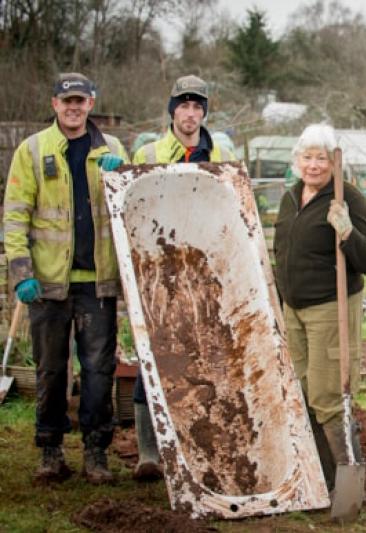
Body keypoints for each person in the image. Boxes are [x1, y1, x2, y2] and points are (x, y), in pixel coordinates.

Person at [4, 73, 128, 484]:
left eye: (80, 101)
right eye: (66, 101)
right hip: (47, 283)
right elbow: (16, 214)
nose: (73, 108)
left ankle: (96, 452)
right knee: (51, 370)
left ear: (91, 103)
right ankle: (50, 450)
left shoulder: (112, 149)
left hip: (98, 282)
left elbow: (132, 209)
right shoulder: (32, 149)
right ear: (54, 104)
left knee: (98, 370)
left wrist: (121, 176)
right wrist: (21, 271)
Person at [130, 75, 235, 481]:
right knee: (153, 354)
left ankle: (203, 445)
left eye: (198, 108)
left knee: (207, 356)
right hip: (157, 268)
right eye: (183, 107)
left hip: (203, 270)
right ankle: (148, 453)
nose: (190, 115)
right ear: (172, 110)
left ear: (204, 113)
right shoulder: (150, 151)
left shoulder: (221, 150)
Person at [273, 124, 366, 490]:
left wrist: (348, 232)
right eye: (307, 157)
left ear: (334, 162)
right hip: (294, 309)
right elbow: (282, 252)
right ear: (297, 161)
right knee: (302, 393)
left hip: (330, 308)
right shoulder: (291, 197)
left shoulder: (347, 197)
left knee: (328, 395)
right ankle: (321, 477)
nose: (314, 165)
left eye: (321, 157)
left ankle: (348, 481)